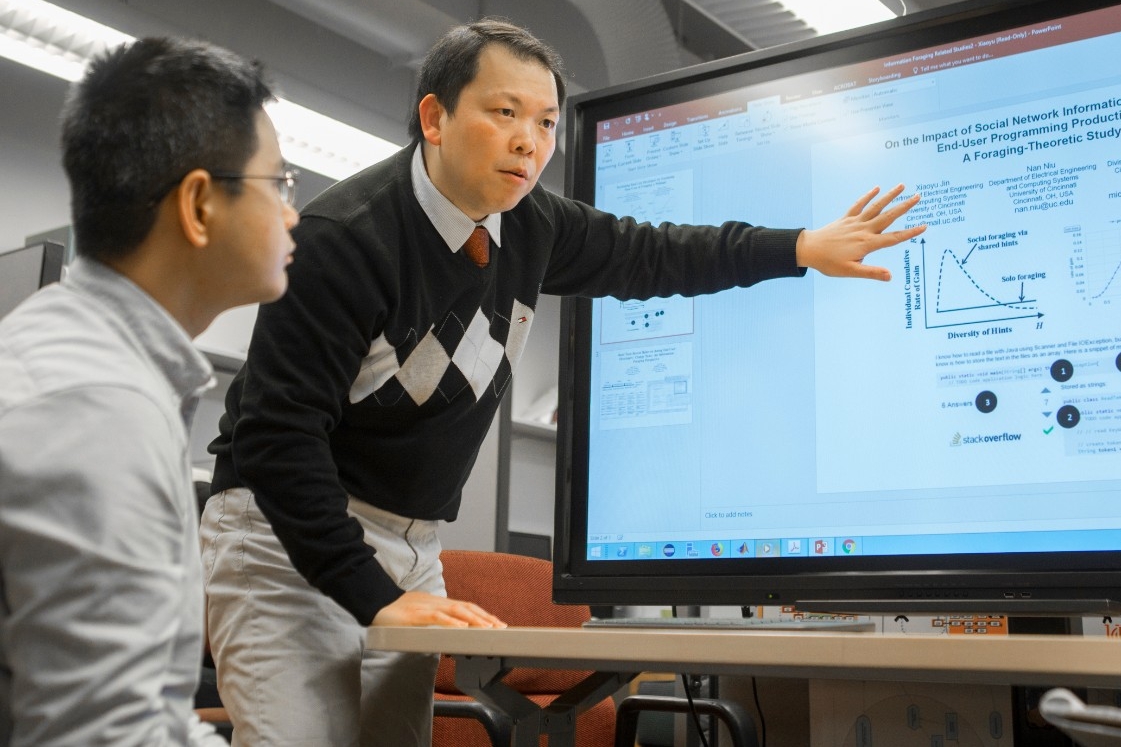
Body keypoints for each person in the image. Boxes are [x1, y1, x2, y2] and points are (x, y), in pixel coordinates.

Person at [200, 18, 926, 747]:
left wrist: (798, 248)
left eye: (545, 121)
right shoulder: (344, 238)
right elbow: (277, 440)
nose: (530, 141)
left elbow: (655, 254)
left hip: (411, 540)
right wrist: (373, 597)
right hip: (279, 531)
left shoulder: (533, 226)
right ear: (435, 118)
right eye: (505, 112)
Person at [0, 37, 299, 746]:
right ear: (199, 205)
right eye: (279, 184)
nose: (292, 215)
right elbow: (104, 736)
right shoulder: (97, 407)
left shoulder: (94, 361)